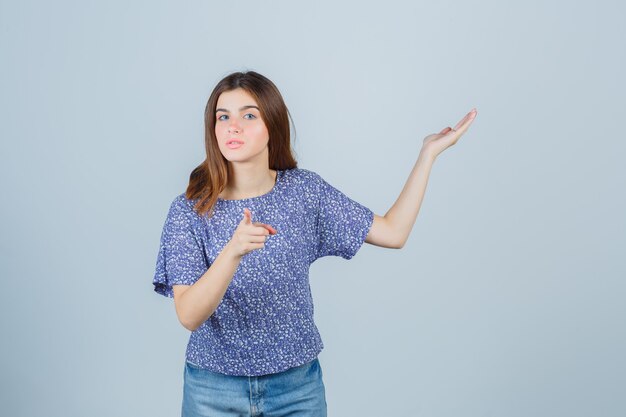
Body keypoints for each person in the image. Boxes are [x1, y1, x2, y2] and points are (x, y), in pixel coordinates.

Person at [152, 70, 477, 417]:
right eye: (223, 117)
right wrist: (232, 252)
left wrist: (427, 155)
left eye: (249, 115)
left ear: (272, 124)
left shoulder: (304, 192)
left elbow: (394, 232)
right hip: (212, 389)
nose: (233, 126)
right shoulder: (189, 209)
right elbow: (188, 315)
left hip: (296, 389)